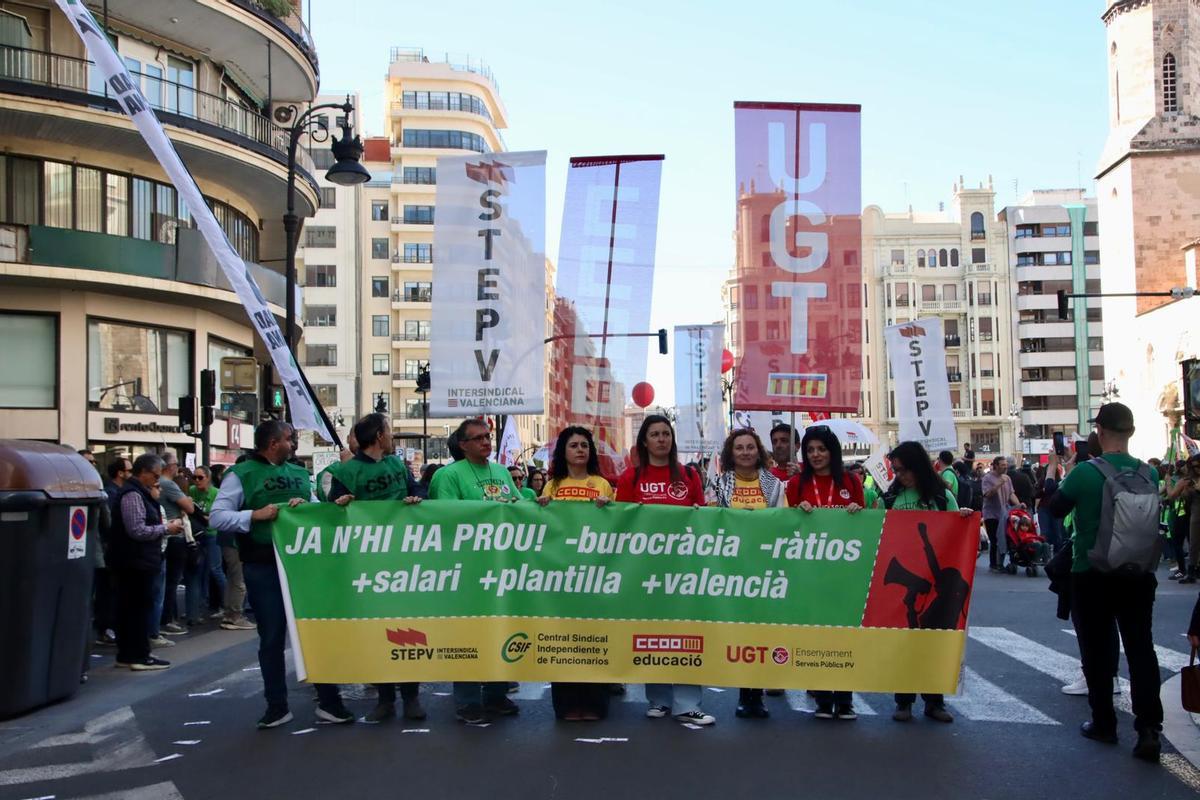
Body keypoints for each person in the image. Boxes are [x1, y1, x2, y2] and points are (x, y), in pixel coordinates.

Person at [211, 420, 353, 729]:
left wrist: (327, 507)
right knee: (272, 637)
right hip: (263, 565)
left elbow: (317, 512)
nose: (295, 444)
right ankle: (277, 705)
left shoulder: (301, 474)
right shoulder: (241, 475)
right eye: (290, 439)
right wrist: (255, 515)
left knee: (315, 632)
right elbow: (218, 517)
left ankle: (330, 702)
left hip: (303, 565)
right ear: (274, 443)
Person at [1045, 402, 1163, 762]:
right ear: (1131, 432)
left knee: (1098, 650)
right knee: (1142, 649)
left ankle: (1104, 724)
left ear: (1098, 431)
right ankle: (1148, 729)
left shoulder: (1085, 473)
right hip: (1138, 574)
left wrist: (1054, 470)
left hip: (1091, 573)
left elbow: (1053, 510)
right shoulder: (1149, 473)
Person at [324, 413, 426, 725]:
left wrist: (414, 497)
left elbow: (418, 492)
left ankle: (411, 697)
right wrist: (341, 502)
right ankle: (385, 698)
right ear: (379, 436)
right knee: (378, 628)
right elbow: (331, 506)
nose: (392, 435)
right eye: (389, 431)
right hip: (368, 559)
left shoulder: (397, 464)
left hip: (402, 554)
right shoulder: (347, 471)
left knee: (407, 627)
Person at [616, 414, 714, 726]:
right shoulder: (630, 477)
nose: (662, 439)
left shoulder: (688, 475)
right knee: (652, 634)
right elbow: (622, 523)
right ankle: (657, 699)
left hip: (685, 571)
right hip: (646, 571)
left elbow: (703, 518)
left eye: (666, 433)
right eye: (655, 434)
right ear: (644, 442)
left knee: (686, 635)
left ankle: (687, 703)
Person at [428, 418, 522, 724]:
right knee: (467, 635)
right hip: (465, 569)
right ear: (463, 444)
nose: (486, 442)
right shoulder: (448, 475)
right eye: (478, 438)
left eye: (488, 436)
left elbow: (520, 508)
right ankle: (467, 701)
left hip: (501, 567)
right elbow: (446, 517)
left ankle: (495, 695)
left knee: (498, 631)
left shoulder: (502, 472)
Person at [883, 441, 972, 724]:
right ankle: (904, 700)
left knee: (934, 642)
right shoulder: (891, 497)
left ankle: (934, 701)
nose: (900, 476)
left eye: (903, 470)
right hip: (907, 578)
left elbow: (956, 531)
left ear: (917, 467)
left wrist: (964, 519)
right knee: (905, 641)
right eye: (895, 471)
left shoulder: (943, 499)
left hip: (937, 583)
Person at [706, 428, 787, 718]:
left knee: (761, 633)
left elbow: (783, 523)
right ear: (731, 452)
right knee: (740, 634)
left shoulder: (776, 485)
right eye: (739, 447)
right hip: (732, 570)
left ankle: (758, 694)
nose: (745, 452)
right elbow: (710, 520)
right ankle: (744, 694)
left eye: (750, 447)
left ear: (759, 451)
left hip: (765, 570)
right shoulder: (718, 483)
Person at [537, 426, 615, 721]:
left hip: (595, 573)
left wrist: (609, 508)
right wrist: (542, 507)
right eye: (574, 445)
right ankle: (568, 705)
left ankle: (595, 704)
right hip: (561, 575)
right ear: (564, 452)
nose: (580, 450)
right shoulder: (552, 485)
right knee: (564, 641)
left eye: (585, 445)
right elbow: (545, 527)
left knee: (594, 639)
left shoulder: (602, 484)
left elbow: (615, 527)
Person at [791, 426, 865, 721]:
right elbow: (787, 524)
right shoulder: (797, 483)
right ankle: (822, 698)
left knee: (845, 635)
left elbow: (866, 519)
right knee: (817, 635)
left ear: (832, 451)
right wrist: (798, 510)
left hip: (845, 572)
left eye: (821, 449)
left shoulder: (850, 480)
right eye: (810, 450)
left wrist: (859, 511)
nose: (816, 455)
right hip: (810, 572)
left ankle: (845, 699)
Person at [108, 454, 180, 671]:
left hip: (135, 560)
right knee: (138, 608)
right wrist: (166, 528)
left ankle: (130, 653)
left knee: (131, 608)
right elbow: (137, 530)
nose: (156, 481)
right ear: (144, 472)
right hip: (135, 561)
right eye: (155, 476)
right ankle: (138, 655)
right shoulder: (133, 494)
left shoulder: (138, 492)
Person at [156, 452, 196, 638]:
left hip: (164, 536)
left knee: (167, 581)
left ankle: (165, 618)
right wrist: (187, 501)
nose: (177, 467)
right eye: (175, 464)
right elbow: (189, 507)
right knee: (171, 581)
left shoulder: (159, 485)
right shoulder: (168, 484)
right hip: (174, 536)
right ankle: (167, 619)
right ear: (167, 466)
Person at [94, 457, 132, 647]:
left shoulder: (117, 492)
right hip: (110, 550)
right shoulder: (111, 493)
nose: (131, 473)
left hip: (111, 549)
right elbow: (109, 525)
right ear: (120, 473)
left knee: (111, 590)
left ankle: (109, 627)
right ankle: (106, 628)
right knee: (108, 591)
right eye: (129, 470)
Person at [188, 466, 226, 624]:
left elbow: (216, 516)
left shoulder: (216, 493)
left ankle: (227, 605)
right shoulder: (192, 490)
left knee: (215, 569)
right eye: (195, 477)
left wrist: (201, 515)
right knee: (200, 571)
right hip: (197, 535)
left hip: (212, 534)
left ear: (208, 478)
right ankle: (200, 605)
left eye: (200, 477)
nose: (197, 481)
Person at [982, 456, 1021, 572]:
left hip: (1004, 513)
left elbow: (1011, 494)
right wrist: (998, 484)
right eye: (1002, 465)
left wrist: (1019, 505)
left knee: (1005, 538)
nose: (1005, 467)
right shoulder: (987, 478)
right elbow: (987, 495)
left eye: (1006, 465)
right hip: (991, 513)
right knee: (994, 539)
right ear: (996, 466)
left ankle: (1001, 563)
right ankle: (993, 564)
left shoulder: (1007, 478)